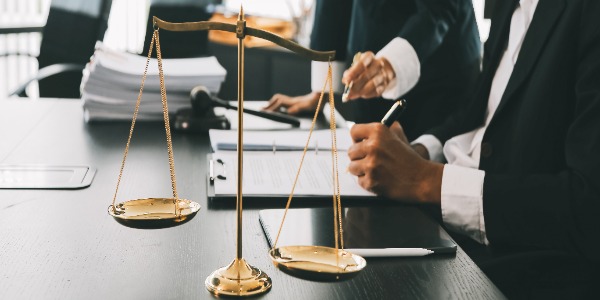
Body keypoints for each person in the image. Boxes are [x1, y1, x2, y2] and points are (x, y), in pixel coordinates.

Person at [347, 0, 600, 297]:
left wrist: (428, 181)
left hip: (530, 256)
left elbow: (588, 208)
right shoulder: (509, 7)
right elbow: (478, 115)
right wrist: (420, 151)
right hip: (460, 222)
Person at [264, 0, 481, 141]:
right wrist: (322, 91)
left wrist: (389, 65)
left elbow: (440, 9)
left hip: (438, 75)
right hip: (369, 58)